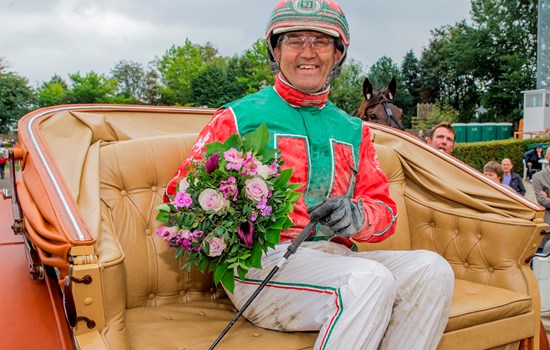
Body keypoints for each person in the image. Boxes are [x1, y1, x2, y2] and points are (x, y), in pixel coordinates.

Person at [165, 1, 453, 349]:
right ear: (276, 50)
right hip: (262, 266)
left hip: (337, 259)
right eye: (294, 40)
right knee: (369, 279)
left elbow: (385, 211)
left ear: (337, 54)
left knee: (432, 269)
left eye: (320, 41)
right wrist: (234, 214)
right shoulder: (236, 118)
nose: (308, 52)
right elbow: (178, 196)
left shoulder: (354, 131)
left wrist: (358, 216)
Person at [531, 149, 550, 250]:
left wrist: (548, 198)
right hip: (548, 224)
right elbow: (542, 201)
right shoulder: (538, 177)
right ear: (547, 158)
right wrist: (545, 199)